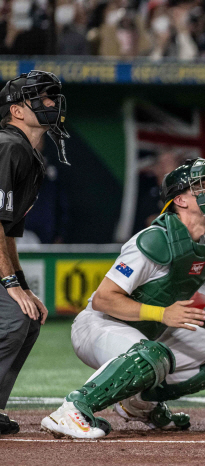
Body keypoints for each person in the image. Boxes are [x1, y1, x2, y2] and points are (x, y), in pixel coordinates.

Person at [41, 158, 205, 439]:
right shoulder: (154, 240)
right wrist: (162, 314)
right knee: (152, 356)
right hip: (99, 325)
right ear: (180, 199)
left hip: (150, 329)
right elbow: (104, 299)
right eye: (201, 186)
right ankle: (72, 409)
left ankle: (139, 403)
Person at [0, 70, 70, 435]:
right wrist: (9, 283)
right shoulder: (8, 146)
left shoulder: (27, 154)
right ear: (16, 111)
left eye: (51, 97)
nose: (50, 103)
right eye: (40, 98)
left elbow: (8, 230)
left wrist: (22, 285)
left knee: (26, 317)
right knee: (13, 318)